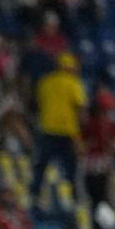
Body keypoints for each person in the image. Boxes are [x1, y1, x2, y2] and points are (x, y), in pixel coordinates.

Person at [30, 52, 86, 201]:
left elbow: (37, 103)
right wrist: (81, 133)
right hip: (67, 131)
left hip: (46, 129)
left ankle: (34, 193)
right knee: (71, 167)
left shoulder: (44, 82)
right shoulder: (74, 83)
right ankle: (74, 197)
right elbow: (80, 109)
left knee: (41, 164)